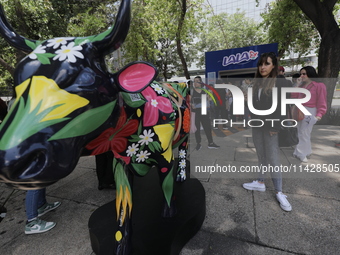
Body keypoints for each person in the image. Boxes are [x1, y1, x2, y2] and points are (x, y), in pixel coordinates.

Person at [242, 52, 292, 212]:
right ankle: (260, 182)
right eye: (261, 64)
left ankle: (279, 192)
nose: (263, 67)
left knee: (273, 158)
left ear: (274, 66)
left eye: (267, 63)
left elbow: (284, 106)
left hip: (271, 126)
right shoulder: (257, 83)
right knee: (261, 154)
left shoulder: (280, 82)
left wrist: (276, 126)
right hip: (257, 125)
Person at [291, 66, 327, 163]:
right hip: (299, 110)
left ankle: (302, 153)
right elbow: (293, 96)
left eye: (304, 74)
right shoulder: (302, 85)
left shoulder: (319, 86)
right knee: (300, 132)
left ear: (310, 74)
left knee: (305, 132)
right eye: (301, 74)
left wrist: (319, 114)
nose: (302, 76)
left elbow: (322, 101)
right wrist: (297, 85)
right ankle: (304, 151)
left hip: (310, 110)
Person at [191, 76, 220, 150]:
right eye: (194, 81)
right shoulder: (191, 91)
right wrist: (191, 105)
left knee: (207, 127)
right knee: (197, 128)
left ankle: (210, 143)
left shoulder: (205, 91)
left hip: (204, 111)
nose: (195, 83)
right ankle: (198, 143)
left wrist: (209, 97)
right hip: (195, 112)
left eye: (197, 81)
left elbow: (209, 101)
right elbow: (188, 101)